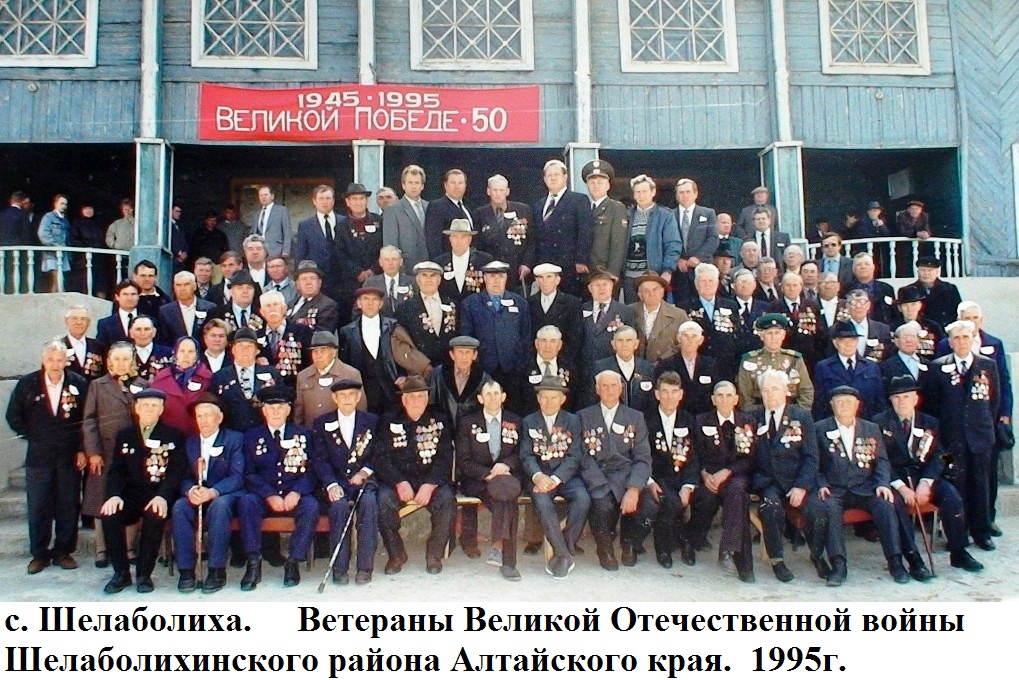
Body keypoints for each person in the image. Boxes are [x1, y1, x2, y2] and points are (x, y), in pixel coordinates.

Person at [815, 386, 931, 585]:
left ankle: (895, 562)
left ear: (857, 405)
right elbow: (813, 462)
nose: (844, 406)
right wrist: (821, 484)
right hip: (835, 489)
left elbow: (882, 460)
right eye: (839, 402)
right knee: (830, 509)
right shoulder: (819, 428)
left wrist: (882, 483)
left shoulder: (870, 428)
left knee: (886, 505)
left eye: (849, 402)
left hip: (866, 487)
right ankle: (839, 565)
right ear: (831, 405)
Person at [874, 375, 983, 572]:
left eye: (906, 397)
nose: (901, 402)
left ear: (915, 399)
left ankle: (959, 552)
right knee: (895, 504)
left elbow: (939, 455)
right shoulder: (878, 423)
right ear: (890, 400)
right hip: (895, 480)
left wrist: (926, 482)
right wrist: (902, 488)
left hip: (924, 476)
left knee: (951, 496)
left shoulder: (930, 422)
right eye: (896, 397)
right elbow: (880, 460)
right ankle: (913, 558)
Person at [6, 340, 89, 574]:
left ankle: (63, 551)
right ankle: (39, 554)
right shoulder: (28, 384)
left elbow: (86, 419)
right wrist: (33, 435)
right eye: (50, 359)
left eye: (59, 359)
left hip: (69, 455)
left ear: (66, 361)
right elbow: (13, 415)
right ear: (43, 360)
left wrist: (81, 448)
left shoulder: (78, 383)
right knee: (39, 505)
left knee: (68, 504)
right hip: (39, 457)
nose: (55, 364)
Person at [100, 388, 186, 594]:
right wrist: (114, 495)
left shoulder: (173, 435)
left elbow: (177, 472)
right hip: (132, 493)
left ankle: (144, 574)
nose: (149, 409)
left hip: (159, 493)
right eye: (145, 405)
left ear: (161, 410)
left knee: (154, 515)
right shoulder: (125, 435)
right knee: (109, 514)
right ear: (136, 408)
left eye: (154, 405)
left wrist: (163, 496)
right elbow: (116, 470)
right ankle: (121, 573)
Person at [928, 320, 1000, 551]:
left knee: (980, 486)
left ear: (972, 339)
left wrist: (981, 425)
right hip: (950, 441)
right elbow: (933, 405)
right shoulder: (938, 367)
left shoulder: (987, 365)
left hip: (980, 438)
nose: (961, 342)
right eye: (956, 338)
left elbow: (993, 402)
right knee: (955, 487)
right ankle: (958, 536)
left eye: (965, 337)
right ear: (949, 342)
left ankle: (982, 533)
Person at [751, 369, 829, 582]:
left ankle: (817, 555)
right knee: (770, 508)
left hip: (797, 478)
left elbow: (812, 456)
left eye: (775, 389)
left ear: (786, 390)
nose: (770, 395)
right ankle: (777, 561)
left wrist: (802, 486)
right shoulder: (753, 417)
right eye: (765, 390)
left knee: (817, 510)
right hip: (768, 481)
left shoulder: (801, 416)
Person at [238, 385, 319, 588]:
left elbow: (312, 469)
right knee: (247, 502)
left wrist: (297, 492)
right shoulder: (251, 436)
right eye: (271, 408)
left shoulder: (303, 434)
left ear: (288, 410)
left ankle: (293, 561)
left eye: (280, 407)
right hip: (264, 495)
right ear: (263, 411)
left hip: (294, 493)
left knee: (311, 506)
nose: (276, 412)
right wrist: (269, 495)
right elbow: (248, 473)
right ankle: (253, 562)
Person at [375, 376, 456, 575]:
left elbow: (446, 456)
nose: (417, 400)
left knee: (447, 499)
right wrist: (399, 482)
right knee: (382, 499)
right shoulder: (389, 419)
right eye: (412, 396)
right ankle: (396, 554)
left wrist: (430, 484)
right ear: (403, 399)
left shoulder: (439, 419)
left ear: (427, 398)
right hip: (399, 481)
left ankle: (434, 554)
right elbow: (381, 457)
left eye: (421, 396)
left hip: (430, 481)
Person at [577, 371, 654, 570]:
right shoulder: (583, 417)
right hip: (598, 475)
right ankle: (605, 549)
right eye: (604, 386)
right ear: (597, 389)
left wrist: (634, 488)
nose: (609, 390)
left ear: (621, 389)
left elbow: (643, 458)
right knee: (601, 504)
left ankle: (630, 543)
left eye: (613, 386)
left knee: (648, 504)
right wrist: (599, 484)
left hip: (627, 475)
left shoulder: (635, 417)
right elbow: (583, 456)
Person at [81, 342, 148, 568]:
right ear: (109, 362)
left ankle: (129, 547)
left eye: (125, 359)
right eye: (117, 359)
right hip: (106, 452)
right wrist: (93, 452)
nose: (121, 363)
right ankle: (102, 549)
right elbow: (89, 420)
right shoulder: (98, 385)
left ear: (132, 362)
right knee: (101, 498)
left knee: (132, 498)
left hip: (133, 454)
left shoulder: (142, 385)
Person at [172, 394, 244, 593]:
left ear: (219, 418)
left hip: (224, 494)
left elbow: (237, 476)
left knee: (220, 507)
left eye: (208, 416)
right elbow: (183, 476)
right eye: (199, 416)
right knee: (179, 507)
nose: (203, 421)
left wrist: (213, 491)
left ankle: (216, 570)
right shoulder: (190, 443)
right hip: (198, 493)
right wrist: (190, 490)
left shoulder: (234, 439)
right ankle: (186, 571)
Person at [518, 376, 588, 578]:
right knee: (542, 501)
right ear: (538, 399)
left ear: (562, 399)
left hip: (566, 477)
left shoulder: (573, 421)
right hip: (539, 477)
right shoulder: (529, 421)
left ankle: (563, 548)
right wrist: (538, 476)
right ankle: (564, 554)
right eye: (544, 397)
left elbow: (575, 455)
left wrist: (556, 479)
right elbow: (526, 455)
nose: (548, 402)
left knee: (583, 499)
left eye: (553, 397)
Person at [311, 379, 380, 585]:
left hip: (363, 482)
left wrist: (365, 472)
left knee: (369, 504)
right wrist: (331, 484)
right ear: (335, 398)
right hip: (336, 482)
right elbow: (320, 459)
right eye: (342, 395)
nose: (347, 399)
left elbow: (378, 453)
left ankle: (365, 568)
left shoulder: (372, 421)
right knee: (339, 508)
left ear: (358, 397)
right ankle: (339, 569)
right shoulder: (322, 423)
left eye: (351, 395)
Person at [687, 381, 757, 582]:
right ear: (713, 399)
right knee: (705, 498)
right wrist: (703, 473)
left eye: (728, 396)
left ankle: (729, 550)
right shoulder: (701, 421)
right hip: (709, 476)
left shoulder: (747, 421)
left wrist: (727, 471)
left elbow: (751, 457)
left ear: (736, 399)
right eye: (719, 395)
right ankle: (692, 539)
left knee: (736, 494)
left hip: (736, 475)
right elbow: (694, 454)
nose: (724, 400)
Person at [455, 379, 524, 580]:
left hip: (507, 478)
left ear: (503, 397)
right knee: (507, 501)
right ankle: (506, 558)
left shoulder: (516, 421)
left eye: (496, 393)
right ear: (480, 398)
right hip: (479, 481)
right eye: (488, 394)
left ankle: (501, 553)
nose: (493, 398)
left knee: (506, 495)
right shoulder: (467, 423)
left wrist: (507, 465)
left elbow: (522, 453)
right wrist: (487, 473)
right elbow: (463, 460)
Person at [338, 287, 429, 414]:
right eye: (366, 299)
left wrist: (403, 376)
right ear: (359, 303)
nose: (370, 303)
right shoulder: (347, 332)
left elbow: (406, 354)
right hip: (363, 392)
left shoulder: (393, 327)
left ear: (381, 304)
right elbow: (345, 363)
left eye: (374, 299)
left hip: (392, 389)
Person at [644, 372, 697, 568]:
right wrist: (649, 481)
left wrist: (688, 486)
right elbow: (641, 455)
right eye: (665, 392)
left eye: (674, 392)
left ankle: (684, 539)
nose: (669, 397)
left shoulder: (689, 420)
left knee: (702, 500)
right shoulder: (645, 420)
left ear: (681, 394)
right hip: (658, 477)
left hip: (683, 477)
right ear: (657, 394)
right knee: (671, 502)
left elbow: (694, 457)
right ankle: (664, 548)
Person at [459, 261, 532, 390]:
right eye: (492, 276)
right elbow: (466, 338)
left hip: (513, 370)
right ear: (484, 278)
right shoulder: (470, 304)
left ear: (506, 278)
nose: (496, 281)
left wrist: (522, 364)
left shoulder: (520, 303)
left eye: (500, 276)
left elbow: (526, 337)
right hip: (483, 369)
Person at [532, 159, 594, 297]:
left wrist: (581, 260)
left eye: (556, 174)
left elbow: (585, 231)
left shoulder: (578, 200)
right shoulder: (538, 205)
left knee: (569, 303)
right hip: (545, 266)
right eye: (549, 175)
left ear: (565, 177)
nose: (553, 178)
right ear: (544, 179)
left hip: (570, 265)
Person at [620, 174, 681, 303]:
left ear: (653, 192)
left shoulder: (665, 215)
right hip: (629, 276)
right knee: (632, 311)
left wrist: (668, 270)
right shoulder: (626, 215)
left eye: (644, 191)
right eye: (638, 192)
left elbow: (673, 244)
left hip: (653, 274)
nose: (641, 195)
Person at [211, 328, 283, 433]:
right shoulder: (220, 377)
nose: (245, 350)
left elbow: (282, 404)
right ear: (233, 349)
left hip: (264, 433)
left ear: (257, 351)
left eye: (250, 346)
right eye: (240, 346)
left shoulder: (273, 374)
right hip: (232, 435)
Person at [736, 314, 813, 411]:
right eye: (769, 333)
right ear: (761, 336)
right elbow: (745, 397)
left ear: (783, 335)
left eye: (777, 333)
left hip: (791, 412)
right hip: (759, 412)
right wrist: (758, 415)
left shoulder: (794, 359)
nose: (773, 337)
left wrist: (798, 412)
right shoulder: (750, 361)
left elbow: (806, 391)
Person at [472, 174, 536, 291]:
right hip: (491, 272)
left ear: (507, 191)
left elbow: (532, 241)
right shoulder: (479, 214)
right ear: (488, 191)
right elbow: (476, 245)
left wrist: (527, 264)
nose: (498, 193)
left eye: (501, 190)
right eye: (495, 190)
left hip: (517, 271)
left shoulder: (523, 210)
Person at [813, 323, 886, 420]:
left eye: (852, 340)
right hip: (835, 423)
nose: (848, 344)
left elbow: (880, 401)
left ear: (857, 341)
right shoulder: (823, 367)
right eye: (843, 341)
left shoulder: (871, 366)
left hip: (867, 423)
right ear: (835, 343)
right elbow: (819, 403)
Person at [293, 330, 367, 426]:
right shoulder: (303, 376)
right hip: (311, 431)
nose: (318, 355)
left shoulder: (350, 374)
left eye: (323, 351)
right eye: (315, 351)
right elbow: (299, 411)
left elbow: (361, 408)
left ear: (334, 352)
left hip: (340, 432)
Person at [395, 261, 460, 369]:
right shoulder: (405, 308)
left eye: (433, 275)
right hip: (419, 369)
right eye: (424, 275)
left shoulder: (453, 305)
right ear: (417, 280)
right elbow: (402, 343)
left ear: (439, 280)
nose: (429, 279)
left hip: (449, 367)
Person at [680, 263, 740, 379]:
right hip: (698, 365)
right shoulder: (684, 308)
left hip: (725, 365)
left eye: (711, 281)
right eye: (703, 281)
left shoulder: (730, 305)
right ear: (696, 284)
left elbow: (737, 334)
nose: (707, 284)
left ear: (717, 283)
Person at [654, 321, 722, 416]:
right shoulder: (666, 365)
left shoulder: (710, 365)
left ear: (701, 340)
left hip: (704, 418)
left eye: (694, 336)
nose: (690, 340)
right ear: (679, 338)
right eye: (685, 336)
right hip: (677, 418)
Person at [527, 262, 584, 368]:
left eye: (549, 277)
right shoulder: (528, 303)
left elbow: (575, 337)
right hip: (534, 363)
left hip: (564, 363)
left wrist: (563, 362)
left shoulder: (572, 303)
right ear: (536, 281)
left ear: (557, 280)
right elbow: (527, 336)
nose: (544, 281)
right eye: (541, 277)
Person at [428, 336, 489, 433]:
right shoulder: (438, 374)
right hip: (443, 432)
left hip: (471, 434)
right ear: (452, 355)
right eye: (460, 352)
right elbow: (430, 404)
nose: (464, 357)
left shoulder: (484, 379)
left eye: (468, 352)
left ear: (475, 355)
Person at [587, 326, 656, 412]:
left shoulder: (647, 368)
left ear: (636, 344)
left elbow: (652, 402)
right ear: (613, 344)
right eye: (620, 340)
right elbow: (591, 399)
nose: (624, 345)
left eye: (629, 340)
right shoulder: (600, 367)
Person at [671, 178, 718, 302]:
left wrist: (698, 257)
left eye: (688, 192)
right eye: (681, 192)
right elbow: (666, 240)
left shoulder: (708, 213)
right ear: (676, 196)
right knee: (681, 305)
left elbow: (713, 238)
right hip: (679, 271)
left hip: (702, 269)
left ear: (695, 194)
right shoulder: (669, 215)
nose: (685, 195)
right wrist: (677, 259)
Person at [584, 159, 628, 283]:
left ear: (608, 185)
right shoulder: (583, 207)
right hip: (585, 272)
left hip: (605, 272)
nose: (596, 186)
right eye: (592, 182)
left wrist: (613, 273)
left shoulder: (616, 208)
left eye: (600, 182)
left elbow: (618, 245)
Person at [769, 272, 824, 371]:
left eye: (795, 285)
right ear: (782, 287)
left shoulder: (812, 305)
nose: (791, 288)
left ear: (801, 287)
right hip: (784, 356)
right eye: (788, 285)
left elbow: (819, 332)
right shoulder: (774, 307)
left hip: (809, 357)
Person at [256, 290, 313, 387]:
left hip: (294, 386)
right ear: (262, 312)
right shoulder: (255, 336)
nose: (272, 309)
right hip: (265, 389)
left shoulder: (302, 331)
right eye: (268, 306)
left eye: (276, 305)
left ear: (284, 308)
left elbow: (309, 363)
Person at [581, 269, 636, 368]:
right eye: (597, 285)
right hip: (584, 367)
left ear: (612, 286)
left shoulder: (625, 312)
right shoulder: (580, 309)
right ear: (590, 288)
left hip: (613, 367)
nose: (601, 288)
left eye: (605, 284)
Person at [630, 271, 687, 364]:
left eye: (655, 289)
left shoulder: (678, 315)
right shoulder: (628, 311)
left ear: (662, 292)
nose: (651, 294)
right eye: (646, 290)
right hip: (635, 367)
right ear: (640, 295)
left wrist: (662, 361)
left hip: (667, 366)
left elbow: (684, 343)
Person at [381, 165, 429, 273]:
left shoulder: (429, 207)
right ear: (403, 185)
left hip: (428, 268)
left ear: (422, 186)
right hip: (406, 269)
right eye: (410, 183)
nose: (413, 186)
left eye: (417, 183)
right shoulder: (393, 210)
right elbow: (390, 245)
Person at [435, 219, 492, 304]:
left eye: (463, 237)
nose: (459, 241)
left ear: (470, 239)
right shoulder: (440, 262)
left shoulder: (484, 260)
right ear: (450, 239)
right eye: (455, 236)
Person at [424, 168, 473, 257]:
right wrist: (441, 263)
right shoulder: (436, 207)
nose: (457, 186)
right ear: (445, 185)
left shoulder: (467, 209)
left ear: (465, 186)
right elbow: (433, 242)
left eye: (460, 183)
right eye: (453, 183)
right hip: (448, 262)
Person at [157, 271, 216, 345]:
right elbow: (164, 340)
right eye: (178, 285)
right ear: (174, 287)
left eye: (186, 284)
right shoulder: (165, 311)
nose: (182, 289)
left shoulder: (210, 308)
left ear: (194, 286)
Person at [289, 261, 341, 334]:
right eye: (304, 279)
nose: (308, 283)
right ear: (297, 284)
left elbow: (322, 335)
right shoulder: (291, 304)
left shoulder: (328, 306)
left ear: (319, 282)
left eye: (312, 278)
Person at [842, 289, 893, 364]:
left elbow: (887, 357)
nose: (858, 306)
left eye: (862, 302)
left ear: (868, 305)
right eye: (853, 303)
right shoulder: (837, 329)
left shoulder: (882, 329)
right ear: (847, 306)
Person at [846, 253, 895, 326]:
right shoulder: (845, 289)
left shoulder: (887, 289)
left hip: (881, 330)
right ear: (853, 269)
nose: (863, 267)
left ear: (873, 267)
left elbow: (894, 314)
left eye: (867, 264)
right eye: (859, 264)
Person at [364, 246, 415, 316]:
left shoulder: (413, 282)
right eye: (386, 260)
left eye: (394, 259)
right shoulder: (370, 283)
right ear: (380, 262)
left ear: (401, 262)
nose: (390, 263)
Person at [62, 305, 107, 381]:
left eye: (83, 319)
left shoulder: (99, 347)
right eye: (74, 318)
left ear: (88, 323)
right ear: (66, 321)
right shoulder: (57, 347)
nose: (79, 322)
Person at [37, 194, 71, 292]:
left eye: (65, 204)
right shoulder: (49, 217)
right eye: (61, 203)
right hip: (51, 253)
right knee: (56, 278)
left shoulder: (65, 220)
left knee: (60, 278)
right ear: (55, 203)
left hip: (63, 254)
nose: (64, 206)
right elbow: (43, 234)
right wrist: (55, 245)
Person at [251, 185, 292, 258]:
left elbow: (287, 231)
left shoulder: (281, 210)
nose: (263, 197)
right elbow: (253, 233)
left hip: (276, 250)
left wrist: (286, 251)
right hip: (259, 251)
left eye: (266, 195)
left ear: (272, 196)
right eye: (261, 195)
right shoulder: (257, 214)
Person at [129, 316, 172, 381]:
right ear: (131, 333)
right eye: (138, 329)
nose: (142, 333)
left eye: (147, 329)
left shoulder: (168, 353)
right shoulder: (124, 355)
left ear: (154, 332)